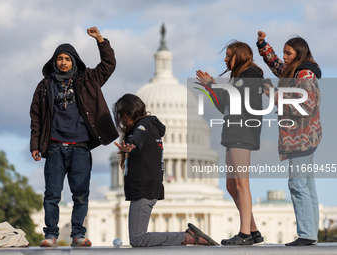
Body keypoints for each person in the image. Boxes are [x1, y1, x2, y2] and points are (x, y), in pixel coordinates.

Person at [30, 27, 118, 247]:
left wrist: (100, 41)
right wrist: (35, 144)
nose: (63, 62)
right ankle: (50, 236)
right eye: (59, 59)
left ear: (74, 61)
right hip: (54, 146)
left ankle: (78, 235)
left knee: (80, 194)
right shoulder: (44, 86)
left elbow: (108, 66)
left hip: (79, 145)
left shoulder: (88, 79)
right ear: (54, 62)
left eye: (67, 59)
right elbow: (36, 118)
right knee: (52, 194)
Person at [113, 93, 218, 247]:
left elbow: (138, 135)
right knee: (137, 238)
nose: (122, 121)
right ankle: (187, 237)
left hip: (143, 187)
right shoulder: (150, 126)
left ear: (129, 113)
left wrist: (130, 144)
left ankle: (188, 237)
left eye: (122, 116)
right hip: (147, 186)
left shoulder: (143, 126)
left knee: (137, 239)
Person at [257, 31, 322, 246]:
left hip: (301, 137)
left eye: (288, 53)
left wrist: (274, 95)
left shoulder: (305, 75)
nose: (284, 57)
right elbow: (277, 66)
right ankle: (310, 233)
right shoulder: (295, 71)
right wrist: (263, 46)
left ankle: (306, 234)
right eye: (284, 52)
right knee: (307, 185)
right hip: (304, 137)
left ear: (299, 54)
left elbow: (304, 105)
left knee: (297, 185)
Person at [196, 41, 264, 246]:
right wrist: (210, 89)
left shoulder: (250, 75)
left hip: (243, 132)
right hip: (234, 133)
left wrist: (211, 84)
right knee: (231, 185)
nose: (225, 59)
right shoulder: (240, 79)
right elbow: (224, 106)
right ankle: (253, 230)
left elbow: (231, 97)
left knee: (241, 183)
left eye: (228, 55)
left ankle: (244, 234)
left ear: (240, 55)